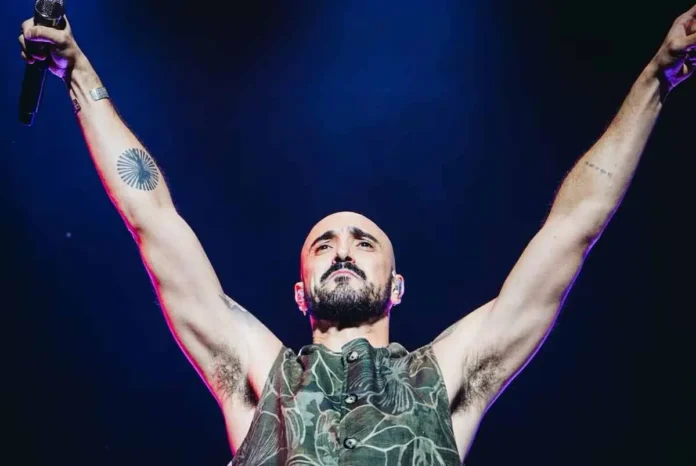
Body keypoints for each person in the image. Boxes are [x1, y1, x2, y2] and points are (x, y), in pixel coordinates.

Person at [18, 5, 695, 465]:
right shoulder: (257, 375)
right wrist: (78, 74)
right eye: (323, 244)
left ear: (397, 286)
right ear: (299, 291)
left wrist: (658, 76)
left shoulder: (446, 379)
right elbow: (154, 219)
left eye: (363, 242)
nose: (342, 248)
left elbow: (573, 227)